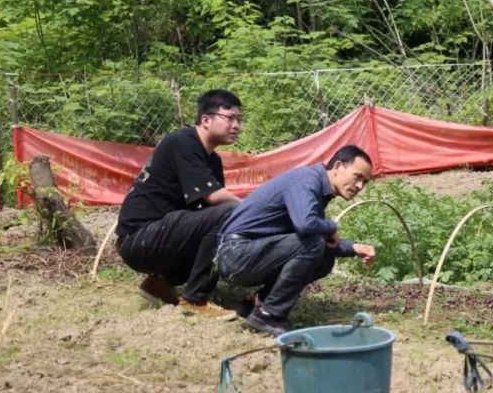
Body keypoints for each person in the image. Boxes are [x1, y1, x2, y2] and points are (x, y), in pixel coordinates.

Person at [216, 145, 377, 336]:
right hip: (234, 255)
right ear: (338, 166)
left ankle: (258, 302)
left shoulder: (318, 187)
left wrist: (354, 247)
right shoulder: (306, 180)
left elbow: (318, 236)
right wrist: (331, 226)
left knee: (324, 255)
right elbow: (306, 226)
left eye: (365, 182)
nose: (359, 186)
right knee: (314, 244)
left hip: (248, 253)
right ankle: (269, 315)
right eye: (357, 176)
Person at [115, 89, 243, 318]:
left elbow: (211, 211)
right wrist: (250, 207)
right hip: (140, 239)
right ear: (206, 119)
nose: (236, 125)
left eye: (239, 119)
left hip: (161, 235)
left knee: (223, 222)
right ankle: (195, 298)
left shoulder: (212, 159)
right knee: (230, 213)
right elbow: (215, 198)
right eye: (229, 118)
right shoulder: (183, 141)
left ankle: (158, 285)